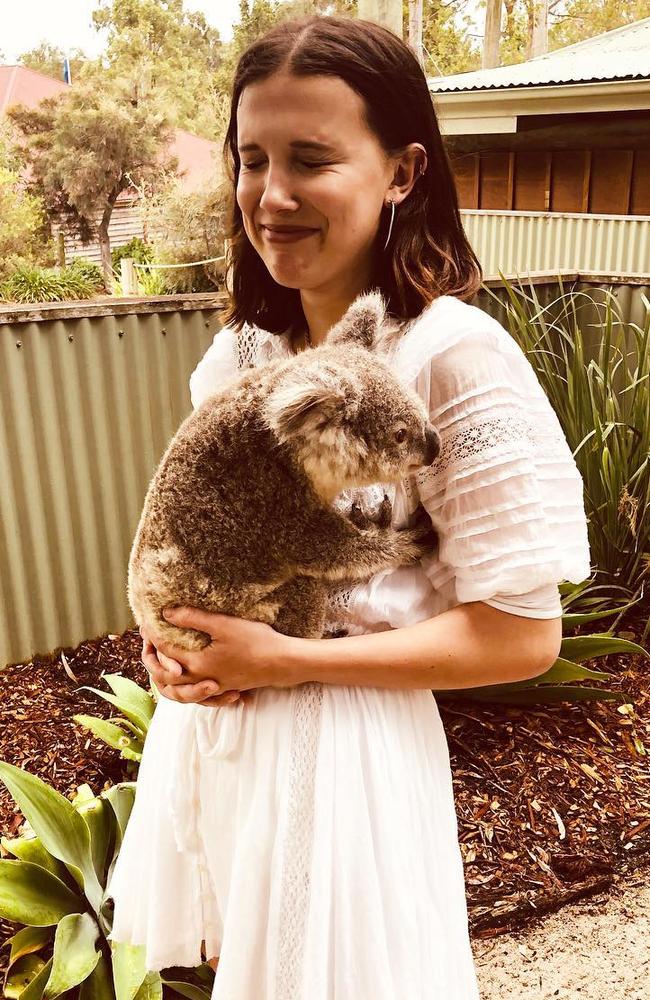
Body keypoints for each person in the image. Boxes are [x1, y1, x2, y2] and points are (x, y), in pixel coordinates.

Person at [106, 14, 591, 997]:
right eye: (251, 159)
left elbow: (520, 635)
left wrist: (285, 659)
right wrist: (170, 642)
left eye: (311, 160)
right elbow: (202, 537)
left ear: (403, 172)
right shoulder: (243, 354)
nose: (270, 195)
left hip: (346, 768)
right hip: (216, 741)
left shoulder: (449, 357)